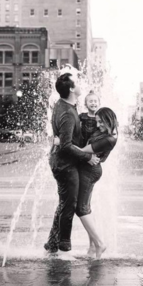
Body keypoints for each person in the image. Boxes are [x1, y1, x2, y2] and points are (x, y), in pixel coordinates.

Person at [44, 71, 100, 256]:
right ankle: (64, 249)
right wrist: (87, 157)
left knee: (63, 204)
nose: (79, 84)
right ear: (71, 89)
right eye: (76, 83)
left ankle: (52, 245)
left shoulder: (64, 105)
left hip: (62, 162)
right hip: (65, 165)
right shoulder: (68, 112)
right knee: (69, 206)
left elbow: (63, 139)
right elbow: (66, 145)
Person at [54, 107, 118, 259]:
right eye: (97, 122)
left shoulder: (109, 139)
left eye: (101, 122)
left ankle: (100, 243)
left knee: (80, 209)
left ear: (109, 120)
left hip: (90, 171)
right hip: (88, 169)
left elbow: (82, 150)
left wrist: (61, 142)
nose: (98, 125)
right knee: (85, 208)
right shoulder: (105, 133)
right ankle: (92, 247)